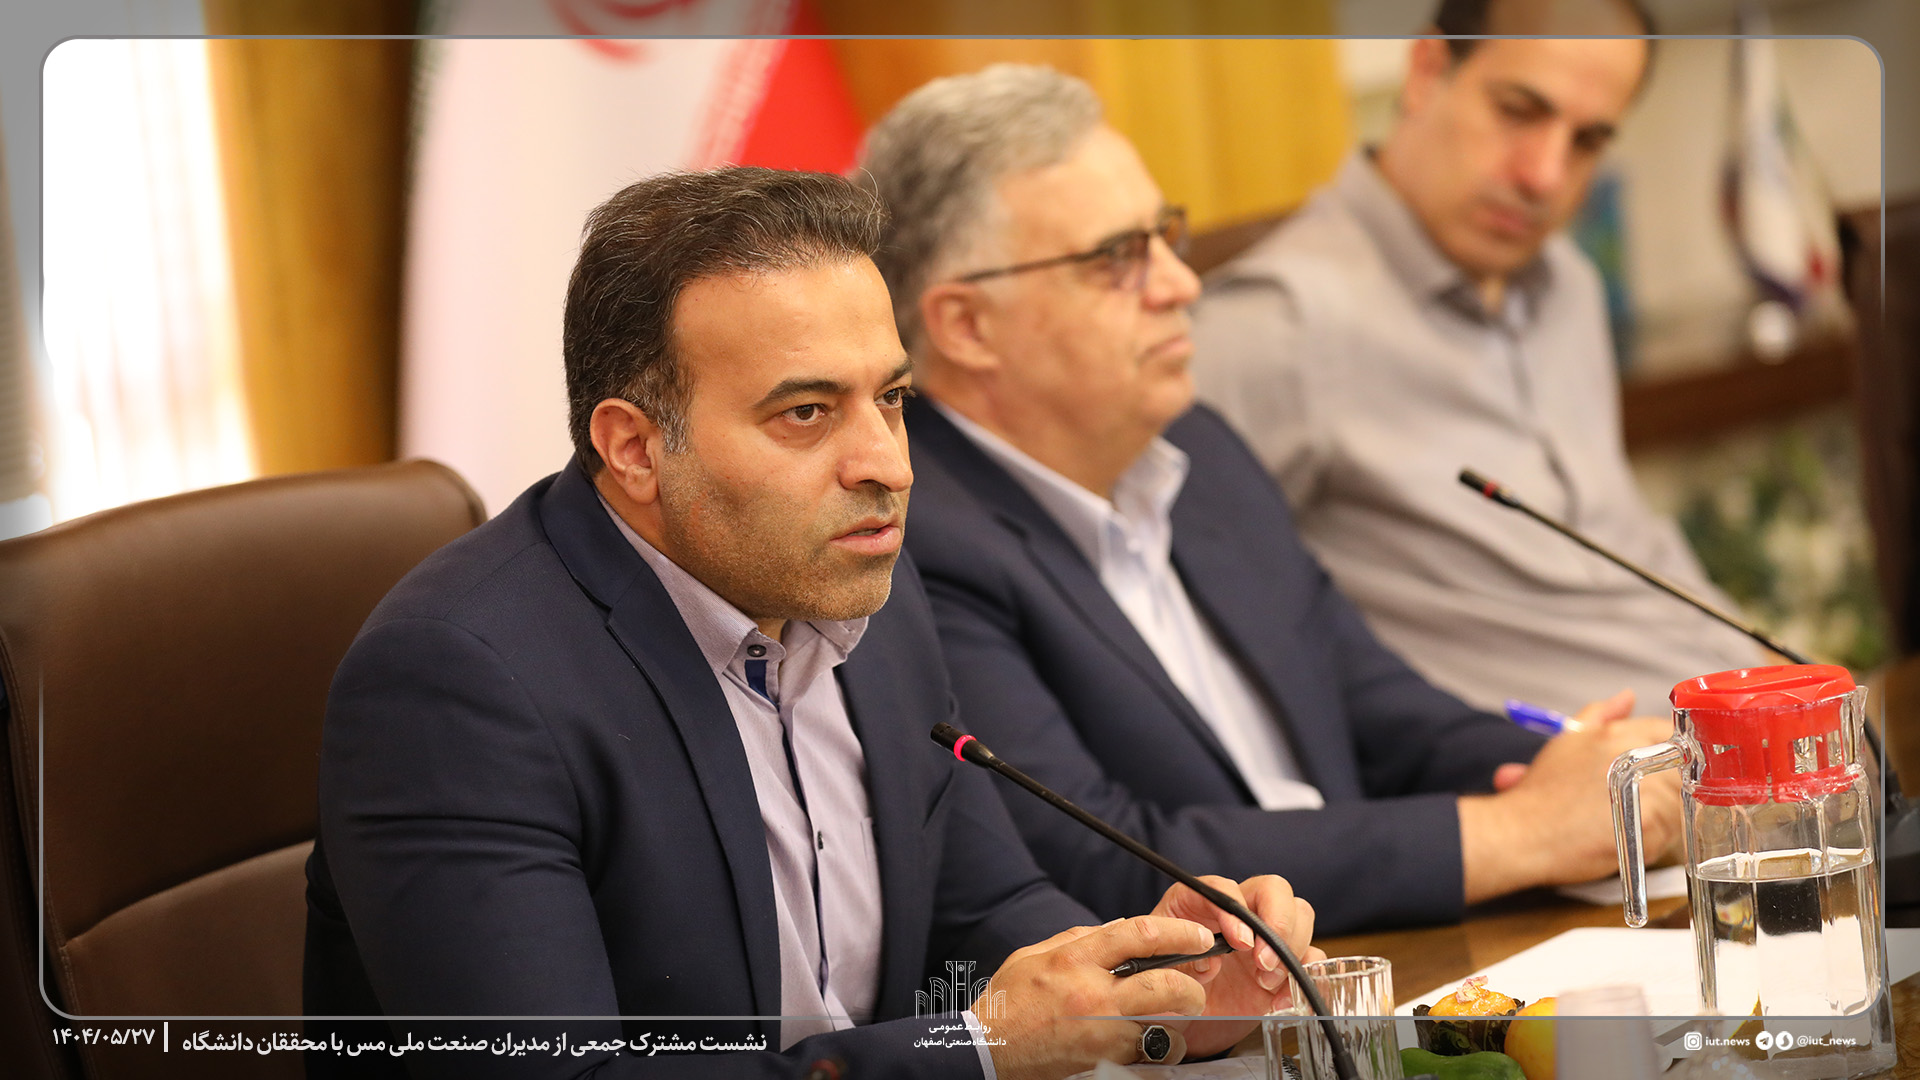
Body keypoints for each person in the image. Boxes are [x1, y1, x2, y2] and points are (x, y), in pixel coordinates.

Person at [303, 167, 1315, 1080]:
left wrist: (1160, 991)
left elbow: (980, 912)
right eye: (807, 414)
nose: (889, 465)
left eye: (893, 398)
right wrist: (972, 1051)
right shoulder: (458, 687)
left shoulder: (860, 587)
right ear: (635, 448)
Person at [857, 64, 1682, 935]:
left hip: (1365, 953)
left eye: (1164, 238)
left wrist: (1584, 772)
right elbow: (1106, 861)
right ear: (967, 326)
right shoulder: (916, 545)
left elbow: (1383, 715)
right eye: (1117, 259)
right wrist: (1520, 834)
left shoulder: (1198, 451)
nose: (1181, 284)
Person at [1189, 0, 1762, 716]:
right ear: (1427, 70)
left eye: (1587, 142)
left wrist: (1783, 682)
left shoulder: (1568, 285)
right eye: (1517, 111)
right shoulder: (1278, 325)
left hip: (1750, 725)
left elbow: (1628, 548)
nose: (1544, 175)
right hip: (1581, 770)